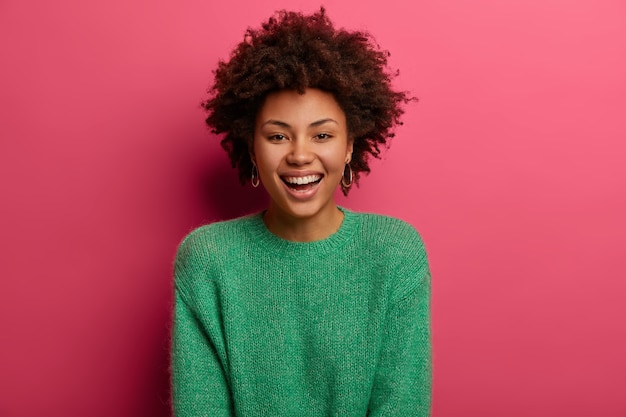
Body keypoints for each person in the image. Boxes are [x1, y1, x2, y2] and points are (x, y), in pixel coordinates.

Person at [171, 8, 431, 416]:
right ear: (251, 147)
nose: (299, 155)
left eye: (322, 135)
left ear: (349, 145)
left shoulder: (394, 254)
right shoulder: (208, 260)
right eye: (277, 136)